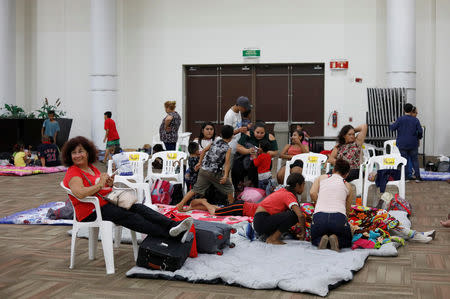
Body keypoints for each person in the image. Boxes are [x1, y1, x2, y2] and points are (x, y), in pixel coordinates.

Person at [62, 136, 193, 243]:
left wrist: (109, 183)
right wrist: (100, 185)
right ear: (69, 155)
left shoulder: (91, 167)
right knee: (128, 215)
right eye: (74, 152)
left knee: (138, 207)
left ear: (87, 152)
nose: (77, 155)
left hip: (105, 204)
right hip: (90, 211)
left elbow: (101, 188)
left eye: (80, 151)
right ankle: (170, 235)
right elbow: (79, 193)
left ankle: (173, 225)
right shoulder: (74, 172)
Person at [176, 125, 235, 212]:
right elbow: (226, 164)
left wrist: (199, 162)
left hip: (203, 170)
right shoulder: (228, 148)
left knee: (195, 189)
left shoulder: (214, 142)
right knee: (229, 187)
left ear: (221, 134)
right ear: (232, 136)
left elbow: (203, 151)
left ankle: (180, 204)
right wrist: (225, 175)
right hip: (214, 172)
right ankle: (231, 208)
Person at [309, 159, 353, 251]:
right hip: (338, 218)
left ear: (333, 170)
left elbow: (312, 193)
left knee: (314, 237)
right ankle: (337, 240)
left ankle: (320, 240)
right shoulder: (348, 185)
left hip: (320, 217)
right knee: (347, 240)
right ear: (347, 174)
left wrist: (319, 203)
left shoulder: (321, 178)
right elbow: (347, 210)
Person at [253, 173, 306, 245]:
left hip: (259, 221)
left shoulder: (283, 191)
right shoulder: (288, 195)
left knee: (290, 214)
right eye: (303, 185)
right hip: (262, 221)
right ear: (297, 185)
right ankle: (273, 238)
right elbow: (300, 215)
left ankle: (271, 236)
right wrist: (303, 233)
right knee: (293, 215)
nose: (304, 188)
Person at [232, 122, 278, 189]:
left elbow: (275, 152)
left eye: (262, 133)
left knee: (258, 165)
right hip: (247, 157)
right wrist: (249, 151)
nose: (259, 135)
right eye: (257, 132)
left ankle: (255, 185)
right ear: (253, 131)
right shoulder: (248, 134)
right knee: (236, 165)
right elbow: (238, 147)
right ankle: (236, 187)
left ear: (265, 132)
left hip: (261, 159)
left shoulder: (270, 137)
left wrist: (263, 152)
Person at [390, 103, 423, 182]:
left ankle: (406, 178)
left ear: (404, 110)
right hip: (413, 143)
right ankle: (417, 177)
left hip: (402, 143)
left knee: (404, 160)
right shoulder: (415, 120)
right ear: (412, 110)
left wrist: (391, 123)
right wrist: (418, 137)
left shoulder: (400, 119)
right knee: (415, 160)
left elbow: (392, 128)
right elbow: (420, 131)